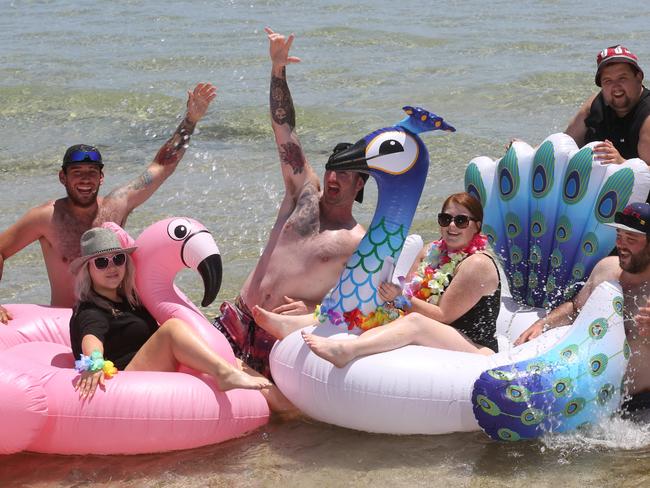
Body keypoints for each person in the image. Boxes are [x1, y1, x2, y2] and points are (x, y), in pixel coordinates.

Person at [213, 28, 367, 378]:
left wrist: (316, 307)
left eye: (344, 174)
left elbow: (361, 304)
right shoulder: (303, 196)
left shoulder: (357, 240)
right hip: (237, 317)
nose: (332, 177)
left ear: (360, 185)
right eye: (331, 169)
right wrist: (277, 68)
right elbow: (284, 129)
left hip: (278, 339)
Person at [0, 83, 216, 324]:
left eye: (92, 172)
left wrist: (190, 120)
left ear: (101, 178)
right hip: (67, 324)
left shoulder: (116, 206)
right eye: (76, 172)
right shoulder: (45, 218)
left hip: (117, 319)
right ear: (63, 177)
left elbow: (162, 166)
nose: (85, 179)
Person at [255, 192, 501, 368]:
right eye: (445, 219)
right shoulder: (431, 251)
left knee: (415, 321)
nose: (451, 227)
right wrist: (389, 298)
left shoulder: (477, 264)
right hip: (439, 333)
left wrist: (400, 298)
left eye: (461, 221)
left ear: (476, 226)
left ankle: (348, 350)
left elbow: (443, 316)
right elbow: (408, 290)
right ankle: (297, 324)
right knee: (373, 303)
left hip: (474, 346)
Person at [69, 227, 272, 400]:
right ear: (88, 269)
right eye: (102, 262)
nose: (112, 266)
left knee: (230, 359)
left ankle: (285, 409)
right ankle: (223, 374)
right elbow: (91, 339)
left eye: (118, 258)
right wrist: (94, 363)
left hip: (152, 368)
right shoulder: (91, 310)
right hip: (127, 382)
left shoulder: (129, 300)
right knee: (172, 329)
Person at [515, 202, 650, 399]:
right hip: (590, 396)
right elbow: (576, 309)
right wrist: (542, 324)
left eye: (631, 239)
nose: (621, 244)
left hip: (638, 406)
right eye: (619, 236)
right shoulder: (606, 269)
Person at [565, 45, 650, 167]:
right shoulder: (594, 105)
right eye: (608, 81)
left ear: (639, 77)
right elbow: (566, 143)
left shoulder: (646, 118)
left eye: (622, 78)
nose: (616, 87)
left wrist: (623, 163)